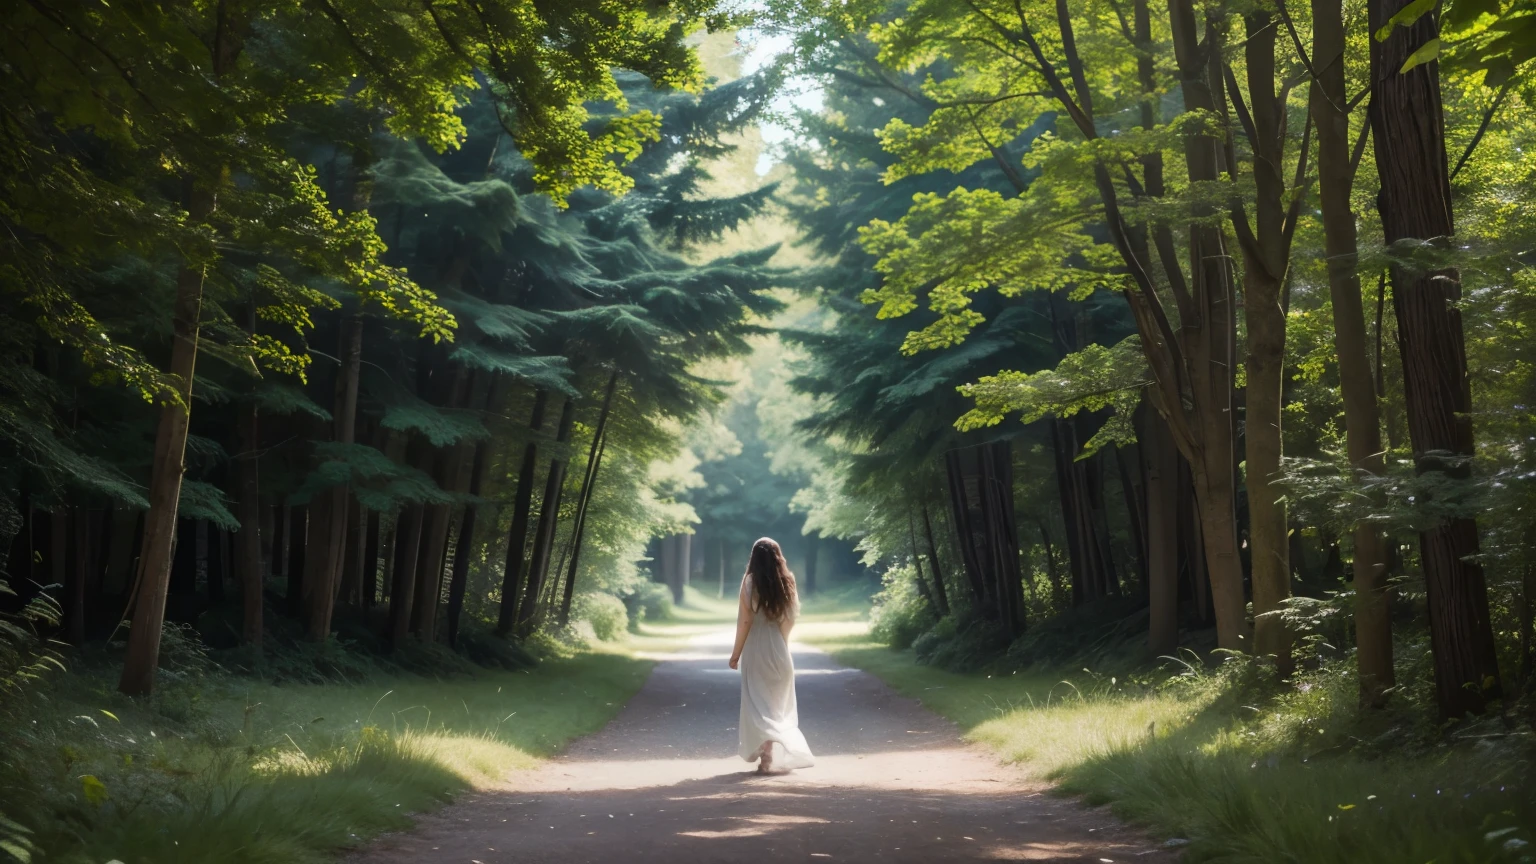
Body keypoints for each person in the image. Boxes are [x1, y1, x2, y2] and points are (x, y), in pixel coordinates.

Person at [728, 537, 815, 774]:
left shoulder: (749, 582)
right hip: (778, 647)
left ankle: (767, 754)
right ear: (778, 556)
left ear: (754, 558)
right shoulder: (787, 581)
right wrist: (782, 644)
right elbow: (790, 618)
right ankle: (773, 750)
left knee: (758, 704)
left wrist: (736, 654)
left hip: (756, 648)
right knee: (776, 705)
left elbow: (745, 621)